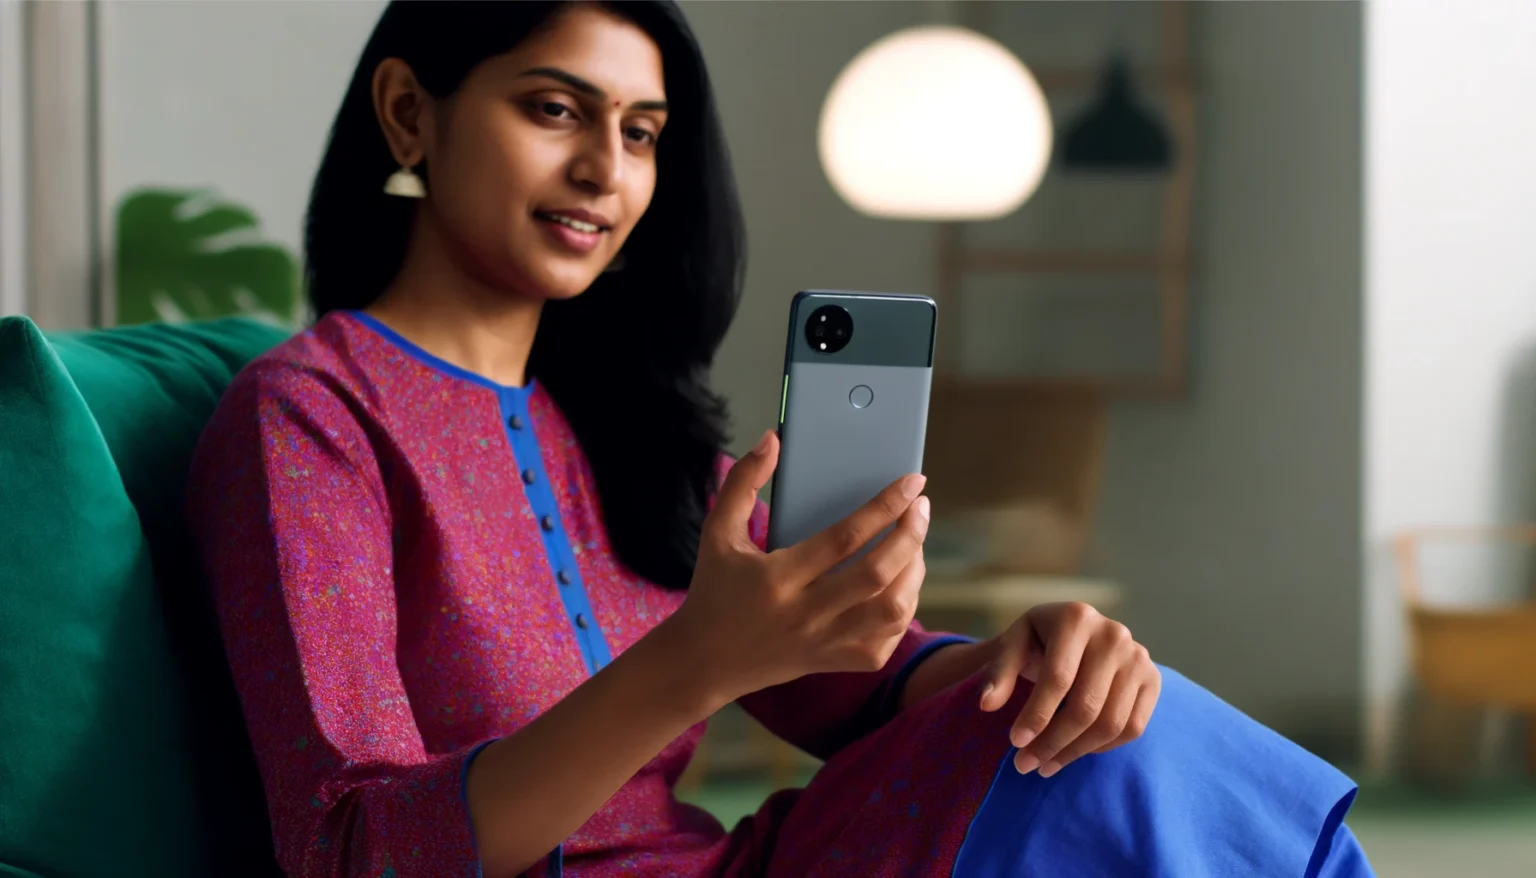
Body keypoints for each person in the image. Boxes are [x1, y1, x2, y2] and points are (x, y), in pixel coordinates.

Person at [186, 2, 1374, 877]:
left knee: (1112, 732)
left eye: (642, 132)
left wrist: (1026, 660)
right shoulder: (313, 416)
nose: (605, 169)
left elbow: (859, 678)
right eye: (554, 110)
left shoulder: (622, 421)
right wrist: (695, 661)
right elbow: (354, 847)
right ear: (410, 111)